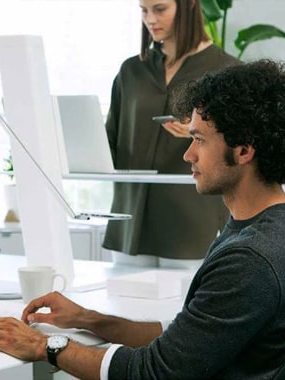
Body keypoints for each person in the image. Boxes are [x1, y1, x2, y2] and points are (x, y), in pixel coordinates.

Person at [0, 60, 285, 379]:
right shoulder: (282, 223)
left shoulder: (251, 260)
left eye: (199, 140)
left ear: (244, 150)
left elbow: (153, 371)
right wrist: (90, 320)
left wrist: (44, 345)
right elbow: (185, 342)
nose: (188, 155)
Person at [103, 0, 239, 267]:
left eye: (160, 9)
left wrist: (198, 133)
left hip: (190, 224)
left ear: (189, 6)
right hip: (129, 224)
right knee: (119, 307)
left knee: (182, 307)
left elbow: (240, 148)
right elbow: (111, 140)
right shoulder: (131, 71)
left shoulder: (227, 71)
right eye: (144, 10)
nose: (150, 19)